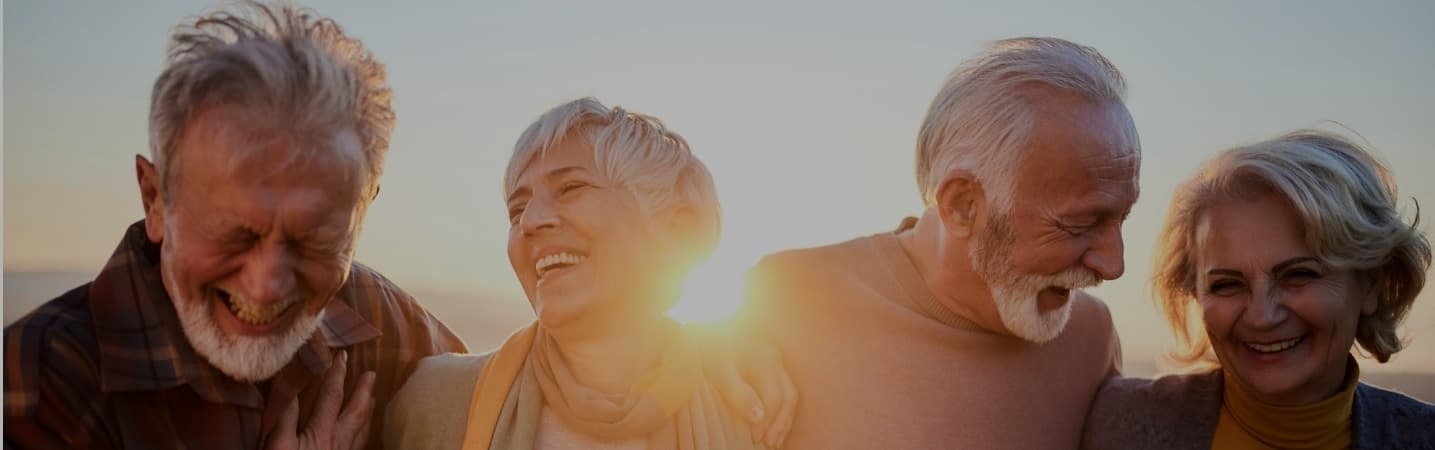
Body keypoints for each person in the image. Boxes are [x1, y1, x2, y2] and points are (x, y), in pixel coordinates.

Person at [3, 2, 469, 449]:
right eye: (233, 232)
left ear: (363, 211)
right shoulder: (37, 383)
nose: (266, 286)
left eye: (315, 239)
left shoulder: (384, 325)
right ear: (155, 200)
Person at [733, 36, 1139, 449]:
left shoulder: (1091, 336)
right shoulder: (785, 300)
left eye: (1122, 218)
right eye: (1079, 223)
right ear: (963, 205)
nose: (1113, 265)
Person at [386, 98, 793, 449]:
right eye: (516, 209)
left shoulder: (756, 405)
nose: (530, 221)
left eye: (570, 188)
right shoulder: (435, 404)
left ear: (676, 227)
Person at [1081, 130, 1435, 449]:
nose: (1262, 316)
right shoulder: (1117, 426)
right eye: (1226, 284)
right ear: (1193, 292)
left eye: (1299, 275)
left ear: (1372, 284)